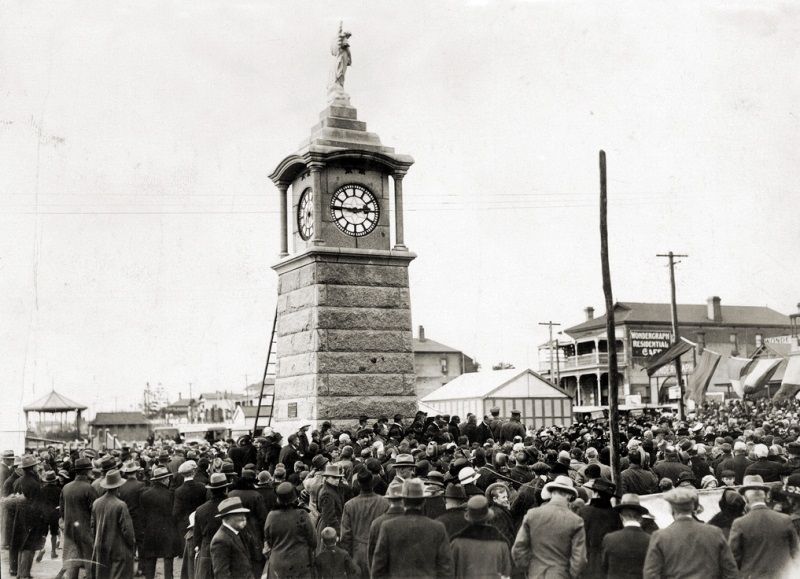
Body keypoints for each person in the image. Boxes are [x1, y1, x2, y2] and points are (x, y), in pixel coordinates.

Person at [642, 486, 737, 579]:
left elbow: (651, 574)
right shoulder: (714, 532)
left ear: (672, 509)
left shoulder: (660, 536)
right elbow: (730, 570)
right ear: (694, 508)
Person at [371, 478, 453, 579]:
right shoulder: (437, 528)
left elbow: (378, 568)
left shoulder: (388, 527)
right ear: (423, 501)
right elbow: (446, 567)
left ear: (403, 501)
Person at [511, 475, 587, 579]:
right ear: (569, 496)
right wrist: (570, 574)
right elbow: (580, 559)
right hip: (562, 575)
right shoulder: (576, 521)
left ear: (551, 493)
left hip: (535, 574)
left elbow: (518, 548)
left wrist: (529, 568)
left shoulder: (532, 514)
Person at [728, 474, 800, 577]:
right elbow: (796, 553)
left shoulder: (739, 523)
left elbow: (733, 560)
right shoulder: (785, 519)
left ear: (745, 498)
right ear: (766, 496)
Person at [340, 469, 389, 578]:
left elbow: (345, 536)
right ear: (372, 483)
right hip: (379, 550)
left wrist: (348, 557)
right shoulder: (385, 502)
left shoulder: (349, 505)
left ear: (358, 484)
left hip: (358, 553)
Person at [263, 482, 317, 579]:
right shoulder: (302, 514)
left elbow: (268, 540)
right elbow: (313, 541)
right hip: (300, 563)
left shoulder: (271, 515)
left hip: (278, 564)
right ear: (295, 498)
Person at [450, 495, 512, 579]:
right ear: (488, 517)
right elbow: (506, 575)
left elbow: (450, 572)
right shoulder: (502, 543)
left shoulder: (456, 543)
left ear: (470, 517)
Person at [90, 469, 136, 579]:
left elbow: (92, 526)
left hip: (100, 548)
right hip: (118, 549)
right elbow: (128, 531)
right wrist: (132, 546)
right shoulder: (120, 505)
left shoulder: (96, 503)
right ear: (118, 487)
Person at [139, 466, 180, 579]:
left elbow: (142, 516)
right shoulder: (171, 494)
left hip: (150, 531)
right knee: (168, 559)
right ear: (163, 480)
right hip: (167, 531)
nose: (169, 480)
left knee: (150, 560)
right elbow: (174, 514)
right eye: (167, 478)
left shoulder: (145, 495)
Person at [60, 457, 97, 579]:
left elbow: (62, 510)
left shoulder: (66, 487)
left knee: (72, 560)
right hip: (86, 530)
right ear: (87, 471)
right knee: (89, 560)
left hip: (70, 529)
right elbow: (95, 511)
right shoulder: (89, 488)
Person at [579, 478, 622, 579]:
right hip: (609, 560)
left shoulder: (585, 511)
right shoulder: (615, 514)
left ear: (596, 494)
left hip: (588, 558)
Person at [601, 494, 652, 579]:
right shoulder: (650, 540)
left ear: (621, 516)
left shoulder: (609, 539)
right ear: (640, 517)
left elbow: (604, 567)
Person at [194, 473, 230, 579]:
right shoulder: (231, 506)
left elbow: (197, 537)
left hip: (207, 551)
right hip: (228, 550)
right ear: (225, 489)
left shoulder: (200, 510)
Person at [210, 496, 255, 579]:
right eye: (238, 514)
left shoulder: (239, 532)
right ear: (227, 517)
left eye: (243, 513)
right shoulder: (220, 540)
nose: (243, 517)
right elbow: (222, 574)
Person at [172, 460, 207, 555]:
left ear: (182, 475)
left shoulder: (178, 491)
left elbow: (176, 512)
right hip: (201, 522)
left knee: (188, 554)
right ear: (194, 472)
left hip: (185, 524)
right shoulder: (202, 487)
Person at [39, 470, 62, 560]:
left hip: (44, 514)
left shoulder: (42, 490)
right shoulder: (59, 490)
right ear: (55, 481)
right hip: (54, 514)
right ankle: (53, 551)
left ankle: (42, 549)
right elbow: (60, 503)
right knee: (54, 533)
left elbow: (39, 503)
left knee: (43, 533)